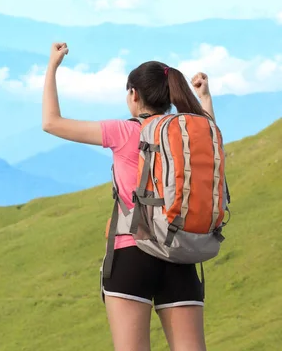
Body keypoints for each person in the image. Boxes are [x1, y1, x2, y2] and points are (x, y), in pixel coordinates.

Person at [42, 42, 215, 351]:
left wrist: (52, 66)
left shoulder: (123, 132)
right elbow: (206, 141)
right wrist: (203, 97)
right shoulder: (191, 132)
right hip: (180, 251)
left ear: (134, 95)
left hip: (131, 252)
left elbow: (51, 122)